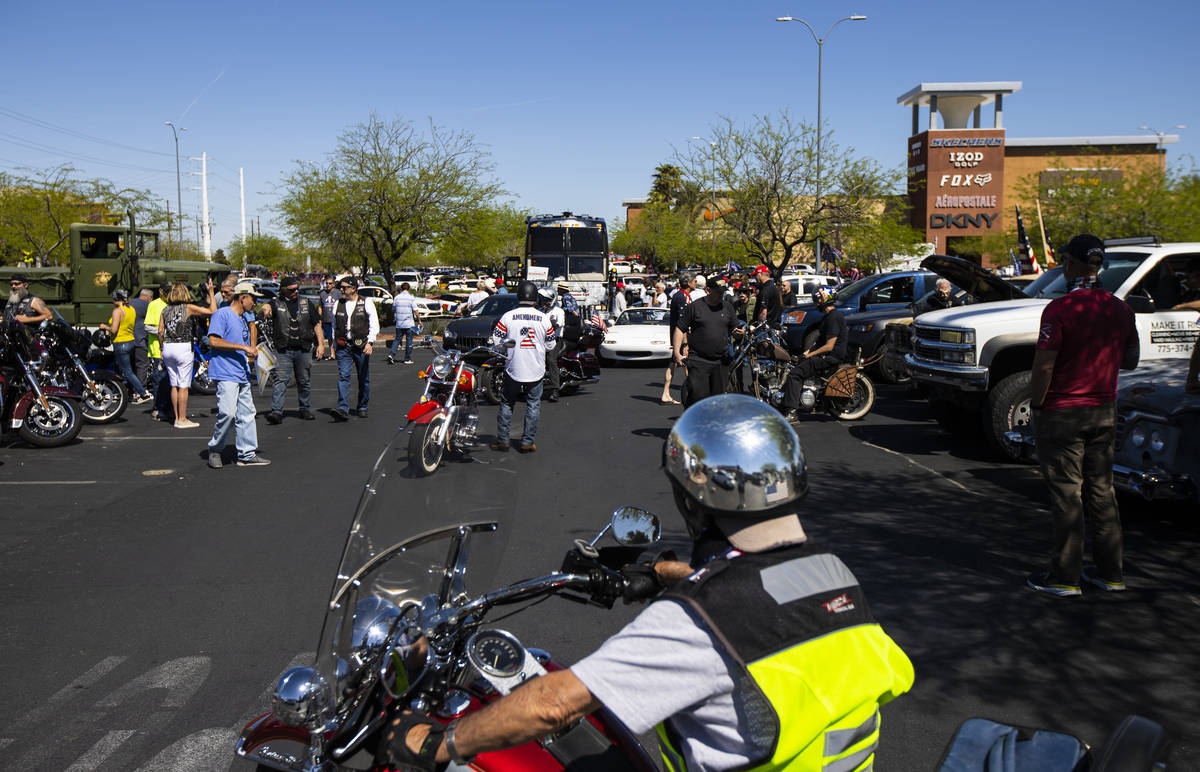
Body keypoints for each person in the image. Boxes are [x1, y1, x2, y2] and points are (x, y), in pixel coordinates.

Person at [385, 395, 914, 772]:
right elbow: (767, 594)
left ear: (690, 498)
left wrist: (436, 741)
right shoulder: (832, 573)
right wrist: (663, 574)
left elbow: (555, 704)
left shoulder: (696, 623)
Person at [1026, 234, 1139, 597]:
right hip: (1104, 409)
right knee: (1103, 493)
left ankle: (1064, 577)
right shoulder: (1121, 308)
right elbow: (1131, 359)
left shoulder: (1059, 310)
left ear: (1071, 264)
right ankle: (1111, 574)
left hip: (1063, 411)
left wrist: (1038, 406)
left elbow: (1044, 367)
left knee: (1067, 495)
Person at [206, 282, 270, 468]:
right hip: (226, 372)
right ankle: (215, 449)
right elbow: (214, 341)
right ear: (242, 297)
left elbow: (248, 336)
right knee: (227, 413)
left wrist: (251, 353)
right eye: (253, 299)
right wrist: (243, 347)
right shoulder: (222, 314)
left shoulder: (243, 319)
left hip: (241, 373)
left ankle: (247, 453)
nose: (255, 303)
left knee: (247, 414)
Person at [488, 280, 556, 453]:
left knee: (507, 403)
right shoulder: (544, 319)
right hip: (536, 370)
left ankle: (503, 441)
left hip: (513, 368)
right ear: (535, 297)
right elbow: (551, 345)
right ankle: (527, 442)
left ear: (519, 296)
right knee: (533, 405)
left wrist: (506, 347)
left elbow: (497, 340)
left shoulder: (508, 316)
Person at [261, 276, 326, 423]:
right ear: (283, 290)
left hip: (303, 348)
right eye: (291, 290)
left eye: (297, 289)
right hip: (284, 349)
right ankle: (277, 411)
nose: (295, 292)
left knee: (304, 380)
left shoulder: (306, 303)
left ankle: (304, 408)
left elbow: (317, 324)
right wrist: (265, 310)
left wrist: (321, 344)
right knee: (280, 380)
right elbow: (266, 308)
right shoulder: (276, 303)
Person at [781, 287, 847, 422]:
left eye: (817, 300)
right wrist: (805, 353)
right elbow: (819, 342)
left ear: (824, 299)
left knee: (795, 375)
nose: (815, 303)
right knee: (791, 365)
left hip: (831, 356)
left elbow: (829, 346)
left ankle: (792, 412)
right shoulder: (828, 316)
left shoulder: (834, 317)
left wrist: (809, 356)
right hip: (827, 355)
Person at [160, 280, 217, 428]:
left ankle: (176, 417)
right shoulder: (188, 308)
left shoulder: (165, 310)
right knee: (184, 385)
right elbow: (212, 311)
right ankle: (183, 419)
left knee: (174, 384)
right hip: (183, 346)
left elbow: (160, 331)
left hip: (168, 347)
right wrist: (211, 292)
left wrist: (161, 348)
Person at [672, 278, 737, 407]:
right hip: (699, 361)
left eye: (722, 292)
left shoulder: (727, 307)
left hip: (721, 361)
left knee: (718, 399)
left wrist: (739, 332)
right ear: (708, 291)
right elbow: (680, 329)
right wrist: (677, 353)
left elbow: (734, 329)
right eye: (718, 292)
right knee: (699, 397)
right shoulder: (695, 307)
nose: (721, 295)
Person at [331, 278, 379, 421]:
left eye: (344, 288)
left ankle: (362, 406)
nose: (342, 290)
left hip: (361, 345)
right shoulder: (338, 304)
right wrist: (333, 345)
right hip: (343, 346)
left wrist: (370, 342)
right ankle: (342, 407)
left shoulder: (366, 302)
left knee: (363, 377)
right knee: (343, 376)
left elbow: (374, 325)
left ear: (353, 288)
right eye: (341, 287)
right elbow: (334, 326)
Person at [103, 290, 152, 404]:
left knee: (126, 371)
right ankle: (124, 391)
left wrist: (105, 326)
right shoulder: (131, 309)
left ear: (116, 299)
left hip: (121, 342)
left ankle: (142, 393)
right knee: (129, 369)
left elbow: (114, 329)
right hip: (131, 341)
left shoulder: (117, 311)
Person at [662, 273, 695, 405]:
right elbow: (682, 323)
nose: (695, 282)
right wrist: (685, 343)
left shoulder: (682, 296)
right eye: (693, 280)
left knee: (674, 363)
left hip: (680, 337)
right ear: (688, 283)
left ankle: (666, 392)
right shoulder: (681, 297)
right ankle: (691, 393)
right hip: (680, 338)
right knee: (687, 363)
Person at [144, 282, 171, 421]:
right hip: (157, 350)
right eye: (166, 291)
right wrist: (166, 333)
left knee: (171, 382)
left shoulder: (173, 303)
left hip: (172, 350)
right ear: (160, 291)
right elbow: (148, 327)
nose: (168, 293)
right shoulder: (154, 305)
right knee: (159, 381)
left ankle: (168, 409)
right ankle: (157, 408)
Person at [539, 289, 565, 402]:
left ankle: (555, 389)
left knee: (550, 360)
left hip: (555, 339)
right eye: (542, 299)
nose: (543, 302)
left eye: (546, 300)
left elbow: (558, 325)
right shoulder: (540, 311)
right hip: (541, 339)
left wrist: (552, 325)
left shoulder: (558, 311)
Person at [388, 282, 421, 365]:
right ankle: (407, 358)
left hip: (399, 323)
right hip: (409, 323)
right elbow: (415, 310)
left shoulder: (397, 298)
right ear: (408, 289)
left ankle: (391, 354)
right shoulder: (411, 298)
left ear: (401, 289)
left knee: (397, 339)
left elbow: (393, 309)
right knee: (409, 340)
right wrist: (419, 320)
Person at [129, 288, 153, 386]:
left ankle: (129, 389)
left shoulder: (129, 303)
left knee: (130, 366)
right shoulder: (147, 306)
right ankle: (140, 390)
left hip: (127, 339)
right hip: (140, 340)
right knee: (142, 365)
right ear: (149, 297)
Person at [318, 275, 340, 359]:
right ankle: (332, 354)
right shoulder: (322, 293)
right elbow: (320, 306)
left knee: (337, 337)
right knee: (330, 338)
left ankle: (337, 353)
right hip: (327, 319)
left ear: (333, 284)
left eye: (330, 283)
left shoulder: (338, 293)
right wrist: (320, 318)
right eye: (327, 283)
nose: (328, 285)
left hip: (336, 319)